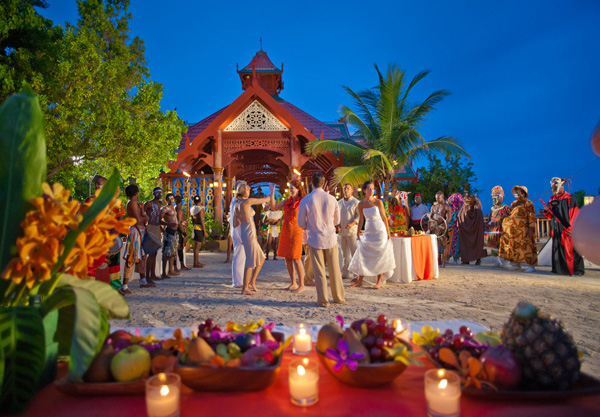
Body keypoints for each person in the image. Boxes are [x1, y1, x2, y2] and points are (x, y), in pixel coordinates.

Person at [298, 172, 345, 306]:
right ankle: (339, 297)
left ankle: (323, 300)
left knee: (319, 271)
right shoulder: (331, 199)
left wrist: (310, 225)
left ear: (312, 183)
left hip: (315, 238)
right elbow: (337, 220)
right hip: (330, 237)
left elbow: (301, 223)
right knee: (334, 269)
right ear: (324, 183)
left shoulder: (306, 200)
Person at [348, 180, 396, 289]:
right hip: (368, 231)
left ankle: (379, 281)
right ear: (364, 190)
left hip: (380, 231)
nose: (371, 190)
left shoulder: (378, 202)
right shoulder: (361, 204)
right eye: (369, 188)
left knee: (380, 254)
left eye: (373, 188)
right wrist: (357, 233)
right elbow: (360, 220)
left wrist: (388, 232)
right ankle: (359, 280)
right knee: (363, 253)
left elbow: (384, 217)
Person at [232, 183, 275, 295]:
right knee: (250, 261)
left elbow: (235, 224)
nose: (249, 191)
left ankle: (252, 282)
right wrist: (272, 191)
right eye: (248, 190)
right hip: (249, 232)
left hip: (244, 231)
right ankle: (245, 288)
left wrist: (243, 218)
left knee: (261, 257)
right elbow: (266, 199)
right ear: (244, 191)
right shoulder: (248, 202)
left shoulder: (237, 205)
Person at [543, 177, 585, 276]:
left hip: (567, 228)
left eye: (555, 186)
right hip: (557, 228)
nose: (553, 188)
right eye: (552, 186)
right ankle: (559, 269)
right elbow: (549, 216)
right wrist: (547, 210)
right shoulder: (552, 200)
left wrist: (572, 228)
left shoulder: (570, 198)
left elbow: (574, 213)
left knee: (572, 249)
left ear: (561, 186)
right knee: (558, 249)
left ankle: (577, 270)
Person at [272, 179, 306, 292]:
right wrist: (272, 193)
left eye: (292, 188)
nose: (290, 190)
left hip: (297, 230)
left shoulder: (303, 201)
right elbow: (274, 207)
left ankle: (302, 285)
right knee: (287, 258)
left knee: (296, 258)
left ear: (298, 189)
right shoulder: (287, 200)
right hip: (286, 230)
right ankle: (293, 283)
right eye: (289, 188)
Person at [121, 184, 154, 295]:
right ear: (136, 192)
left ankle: (143, 280)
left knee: (142, 257)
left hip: (139, 232)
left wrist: (142, 210)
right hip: (136, 232)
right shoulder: (132, 203)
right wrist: (146, 217)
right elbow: (138, 220)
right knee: (131, 257)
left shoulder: (133, 203)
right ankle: (124, 286)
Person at [498, 186, 537, 272]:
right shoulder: (514, 203)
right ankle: (516, 264)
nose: (516, 193)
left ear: (523, 193)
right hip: (514, 231)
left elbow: (531, 215)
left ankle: (531, 265)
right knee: (514, 247)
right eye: (515, 192)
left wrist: (531, 227)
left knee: (527, 246)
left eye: (518, 192)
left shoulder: (528, 203)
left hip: (524, 229)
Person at [337, 183, 360, 279]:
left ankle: (357, 274)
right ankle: (345, 273)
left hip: (352, 232)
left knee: (354, 253)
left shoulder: (356, 202)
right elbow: (336, 216)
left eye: (348, 188)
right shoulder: (339, 203)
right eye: (344, 188)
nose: (346, 190)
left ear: (352, 190)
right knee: (344, 254)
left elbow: (359, 216)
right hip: (342, 232)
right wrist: (337, 225)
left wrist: (353, 223)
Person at [457, 195, 487, 265]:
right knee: (465, 243)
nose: (468, 204)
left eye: (469, 202)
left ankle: (478, 259)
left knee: (478, 242)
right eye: (466, 202)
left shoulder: (478, 211)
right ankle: (466, 260)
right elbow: (460, 218)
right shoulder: (464, 209)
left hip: (476, 231)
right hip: (465, 232)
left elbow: (480, 223)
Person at [485, 186, 511, 267]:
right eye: (493, 197)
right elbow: (490, 217)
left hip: (502, 229)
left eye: (496, 197)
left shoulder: (505, 207)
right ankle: (497, 261)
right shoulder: (492, 208)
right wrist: (489, 222)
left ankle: (507, 262)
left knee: (503, 245)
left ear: (501, 197)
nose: (494, 199)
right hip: (493, 229)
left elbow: (509, 218)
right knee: (493, 245)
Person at [144, 187, 163, 282]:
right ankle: (147, 276)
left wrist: (162, 228)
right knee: (150, 252)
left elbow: (159, 219)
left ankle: (153, 274)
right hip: (150, 227)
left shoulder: (159, 204)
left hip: (157, 228)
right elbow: (142, 213)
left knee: (155, 252)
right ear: (154, 193)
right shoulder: (149, 203)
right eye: (158, 192)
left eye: (161, 192)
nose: (160, 194)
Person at [230, 181, 247, 287]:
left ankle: (239, 280)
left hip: (237, 231)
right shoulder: (237, 201)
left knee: (241, 256)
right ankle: (237, 281)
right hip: (239, 231)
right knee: (239, 256)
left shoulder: (235, 200)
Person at [160, 193, 179, 279]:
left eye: (172, 199)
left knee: (173, 253)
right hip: (169, 231)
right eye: (170, 199)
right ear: (167, 200)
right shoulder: (164, 209)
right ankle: (164, 272)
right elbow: (159, 220)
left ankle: (170, 270)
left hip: (175, 232)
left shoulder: (174, 209)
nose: (171, 200)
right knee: (166, 253)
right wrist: (167, 224)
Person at [174, 195, 192, 271]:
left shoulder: (175, 208)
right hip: (179, 231)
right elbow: (180, 223)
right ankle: (181, 265)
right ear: (181, 201)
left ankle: (179, 265)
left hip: (177, 230)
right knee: (180, 248)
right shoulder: (179, 210)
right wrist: (184, 234)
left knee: (178, 249)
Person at [446, 193, 464, 264]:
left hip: (455, 231)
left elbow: (456, 221)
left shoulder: (458, 211)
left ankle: (455, 259)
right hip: (450, 230)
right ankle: (447, 257)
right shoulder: (451, 210)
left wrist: (447, 225)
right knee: (449, 244)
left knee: (455, 245)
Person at [191, 195, 207, 268]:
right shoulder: (200, 209)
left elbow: (193, 220)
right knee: (197, 246)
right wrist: (205, 231)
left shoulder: (192, 209)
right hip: (199, 228)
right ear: (200, 201)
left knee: (196, 246)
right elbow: (202, 220)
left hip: (195, 227)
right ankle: (195, 263)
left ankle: (196, 261)